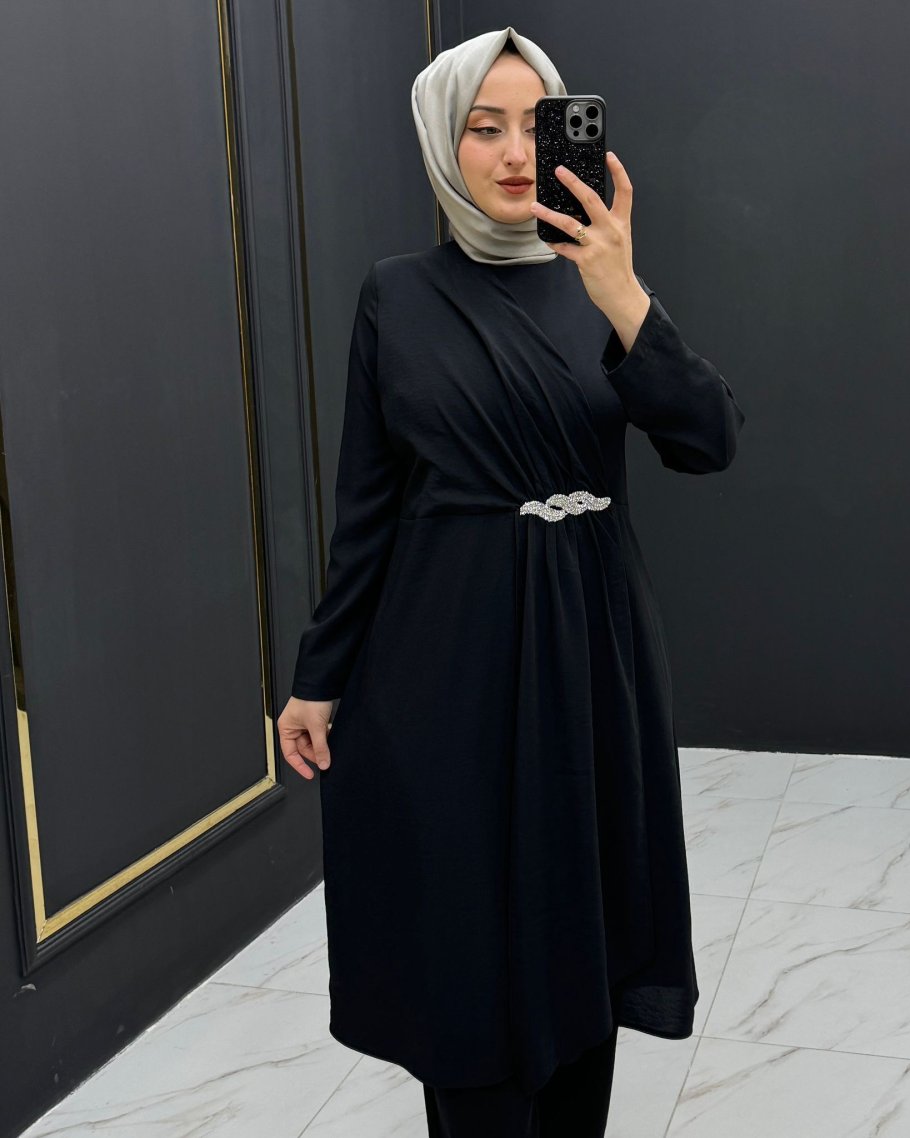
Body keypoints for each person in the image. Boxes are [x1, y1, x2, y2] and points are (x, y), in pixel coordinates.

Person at [277, 25, 746, 1138]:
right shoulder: (397, 296)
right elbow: (366, 506)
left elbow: (709, 442)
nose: (516, 153)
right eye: (483, 128)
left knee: (583, 917)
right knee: (463, 937)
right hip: (442, 663)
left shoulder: (602, 282)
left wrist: (624, 294)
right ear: (443, 142)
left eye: (537, 125)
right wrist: (318, 674)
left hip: (590, 652)